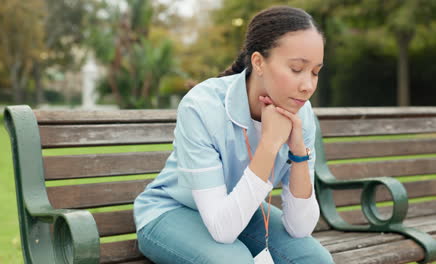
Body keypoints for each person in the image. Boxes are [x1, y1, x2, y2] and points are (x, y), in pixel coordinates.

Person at [133, 5, 334, 264]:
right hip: (172, 210)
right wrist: (270, 143)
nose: (307, 86)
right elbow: (223, 230)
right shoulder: (202, 106)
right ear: (259, 62)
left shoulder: (301, 115)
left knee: (316, 259)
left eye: (315, 72)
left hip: (242, 211)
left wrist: (298, 154)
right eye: (296, 69)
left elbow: (300, 228)